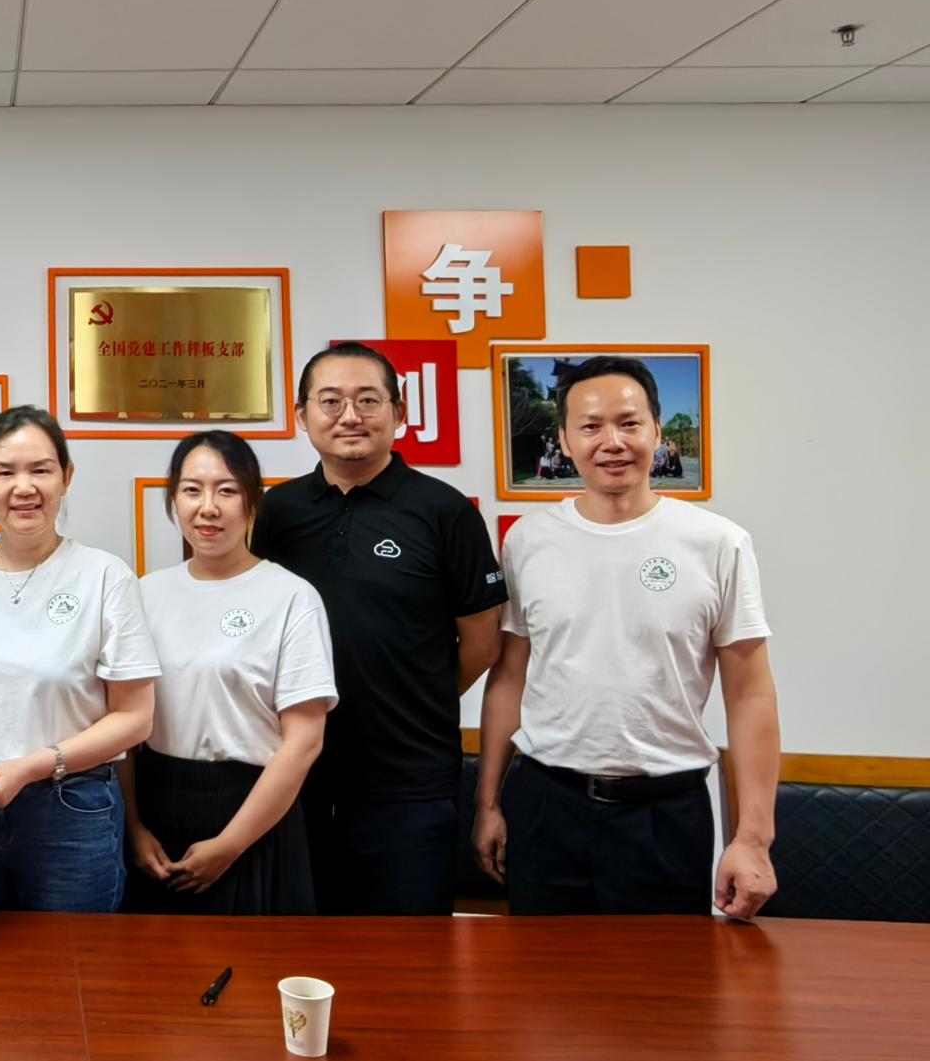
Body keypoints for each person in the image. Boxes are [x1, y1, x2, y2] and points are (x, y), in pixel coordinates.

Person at [474, 356, 780, 917]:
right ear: (565, 440)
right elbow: (510, 675)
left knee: (666, 974)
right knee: (538, 971)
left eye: (629, 423)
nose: (611, 442)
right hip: (545, 805)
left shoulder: (717, 542)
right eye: (591, 426)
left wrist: (753, 838)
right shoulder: (527, 540)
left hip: (666, 810)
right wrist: (488, 803)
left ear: (657, 432)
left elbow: (750, 693)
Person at [252, 341, 506, 916]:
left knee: (409, 956)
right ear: (302, 416)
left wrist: (413, 696)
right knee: (299, 947)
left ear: (399, 412)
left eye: (368, 400)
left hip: (410, 785)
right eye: (331, 401)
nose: (350, 415)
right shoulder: (275, 513)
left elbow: (484, 642)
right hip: (294, 777)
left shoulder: (446, 512)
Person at [0, 406, 160, 913]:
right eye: (4, 472)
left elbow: (135, 717)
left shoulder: (105, 576)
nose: (24, 487)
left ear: (66, 477)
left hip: (70, 805)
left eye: (40, 470)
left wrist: (35, 765)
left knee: (71, 958)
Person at [121, 431, 334, 915]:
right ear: (173, 500)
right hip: (157, 811)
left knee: (254, 958)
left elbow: (304, 742)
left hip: (255, 813)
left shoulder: (291, 597)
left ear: (253, 501)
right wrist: (134, 828)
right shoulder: (144, 594)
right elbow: (123, 724)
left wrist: (229, 845)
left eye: (227, 490)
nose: (208, 508)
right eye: (191, 490)